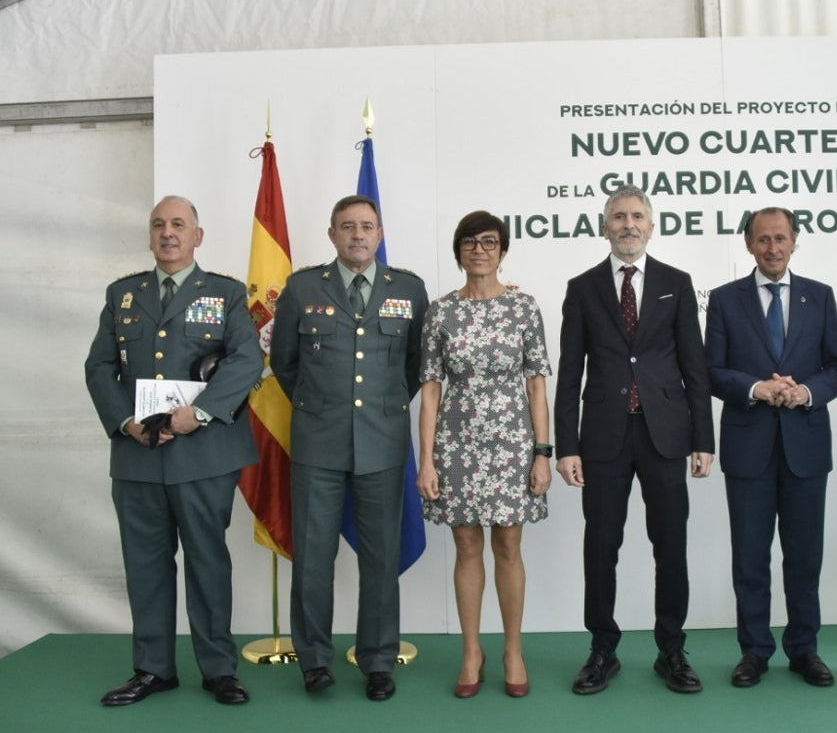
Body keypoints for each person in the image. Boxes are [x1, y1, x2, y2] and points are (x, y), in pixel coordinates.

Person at [84, 196, 260, 707]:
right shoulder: (123, 294)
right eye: (159, 224)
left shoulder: (224, 294)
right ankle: (153, 669)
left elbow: (246, 361)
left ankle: (219, 671)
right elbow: (98, 367)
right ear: (150, 234)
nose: (168, 233)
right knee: (145, 566)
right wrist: (125, 421)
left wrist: (198, 413)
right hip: (138, 456)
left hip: (205, 454)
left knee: (208, 562)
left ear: (197, 236)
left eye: (179, 224)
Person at [555, 184, 715, 695]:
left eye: (637, 216)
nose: (628, 224)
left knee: (670, 544)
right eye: (619, 216)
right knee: (601, 545)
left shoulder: (677, 282)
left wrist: (703, 439)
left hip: (666, 435)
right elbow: (568, 373)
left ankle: (672, 650)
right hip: (602, 438)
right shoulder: (582, 287)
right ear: (605, 226)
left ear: (652, 225)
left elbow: (695, 365)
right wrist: (567, 446)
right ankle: (602, 649)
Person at [270, 194, 427, 701]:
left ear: (380, 234)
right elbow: (286, 365)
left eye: (366, 226)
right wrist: (322, 407)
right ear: (332, 234)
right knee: (313, 557)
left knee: (380, 558)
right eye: (347, 227)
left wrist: (377, 409)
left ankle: (378, 660)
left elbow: (414, 367)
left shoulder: (408, 288)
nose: (357, 235)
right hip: (318, 444)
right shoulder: (300, 288)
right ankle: (314, 661)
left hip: (382, 445)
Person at [705, 207, 837, 688]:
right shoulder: (725, 301)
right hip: (749, 447)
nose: (772, 248)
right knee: (750, 556)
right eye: (763, 239)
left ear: (795, 242)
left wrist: (805, 392)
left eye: (780, 239)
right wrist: (756, 388)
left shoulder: (820, 296)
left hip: (805, 445)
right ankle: (754, 651)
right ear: (748, 244)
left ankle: (804, 649)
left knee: (804, 556)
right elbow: (712, 370)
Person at [417, 211, 553, 699]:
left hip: (513, 443)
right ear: (458, 251)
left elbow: (537, 386)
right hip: (456, 444)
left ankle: (512, 649)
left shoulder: (523, 307)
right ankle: (471, 650)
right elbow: (430, 391)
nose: (480, 249)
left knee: (508, 547)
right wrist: (427, 459)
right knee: (468, 545)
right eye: (470, 241)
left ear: (502, 249)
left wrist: (542, 453)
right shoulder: (441, 312)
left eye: (489, 241)